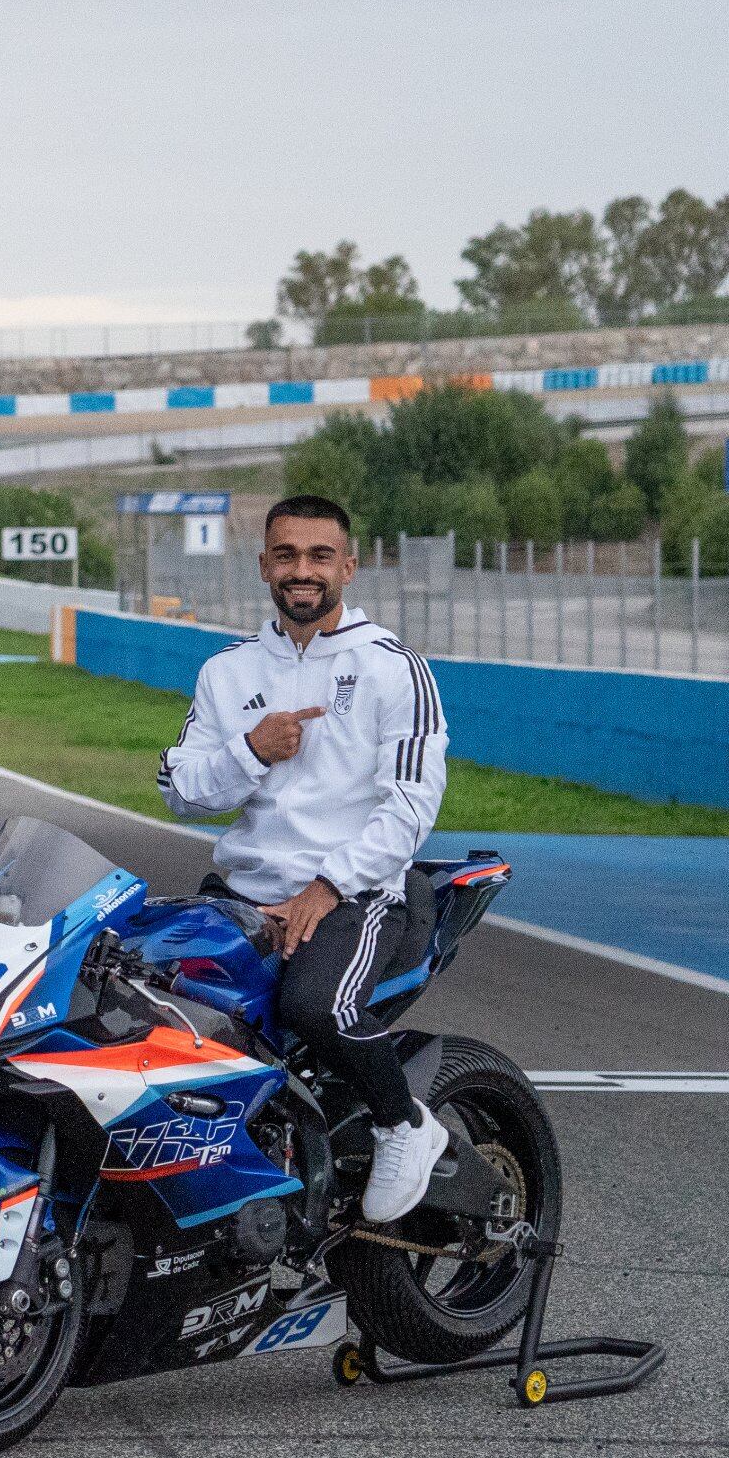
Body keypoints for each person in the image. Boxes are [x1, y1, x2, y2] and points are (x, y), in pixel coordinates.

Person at [157, 492, 453, 1222]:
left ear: (348, 567)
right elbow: (181, 790)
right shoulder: (227, 671)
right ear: (263, 566)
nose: (303, 570)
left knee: (314, 1005)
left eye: (320, 555)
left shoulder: (393, 666)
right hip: (242, 893)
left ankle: (404, 1125)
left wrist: (328, 885)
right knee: (148, 1002)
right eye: (286, 554)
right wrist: (251, 750)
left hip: (358, 895)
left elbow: (412, 803)